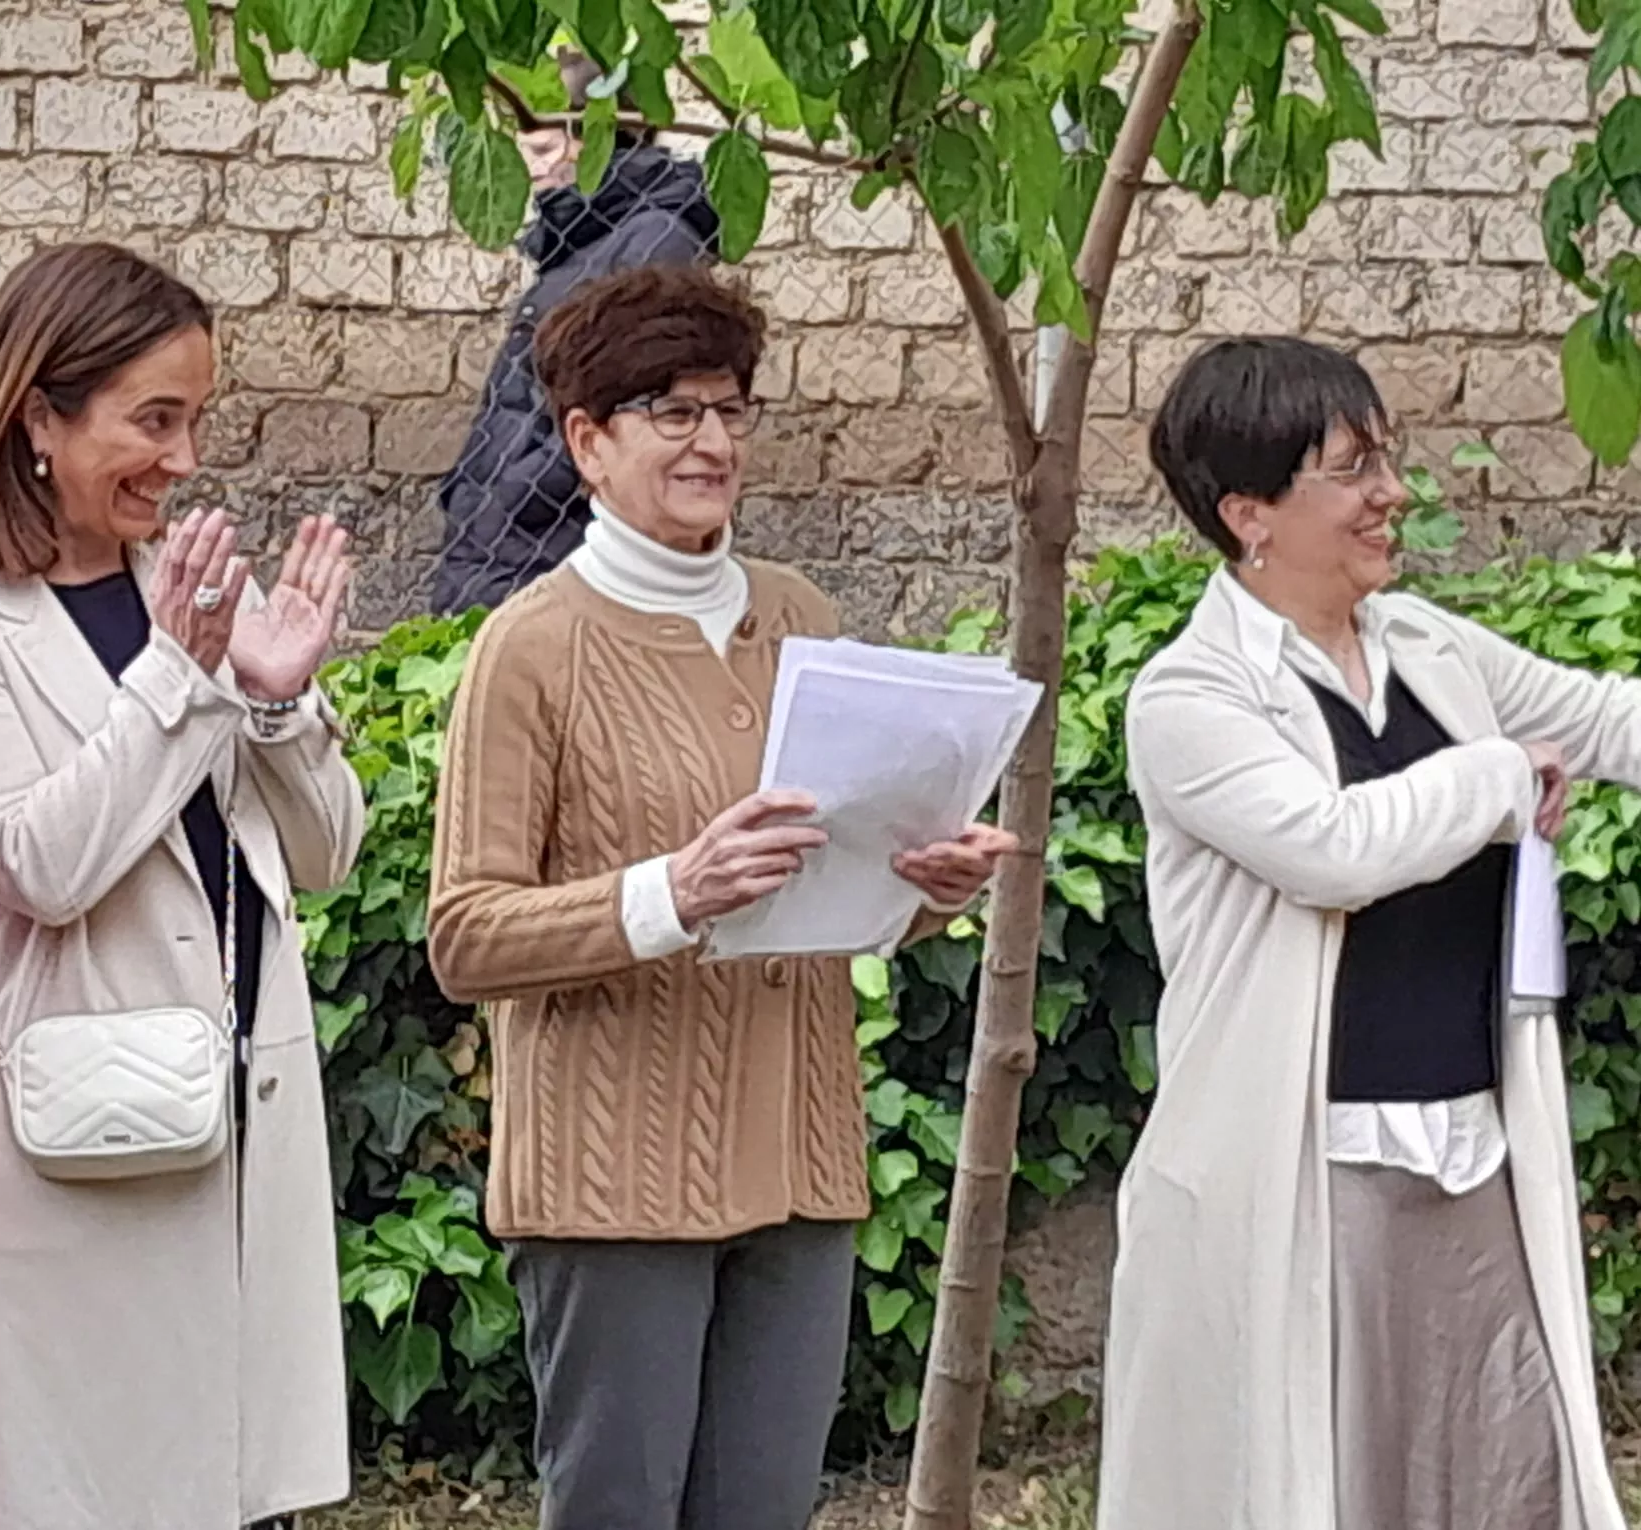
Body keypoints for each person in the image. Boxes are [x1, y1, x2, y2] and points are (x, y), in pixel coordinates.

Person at [428, 264, 1018, 1530]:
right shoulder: (530, 646)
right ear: (588, 441)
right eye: (672, 411)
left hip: (801, 1160)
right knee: (619, 1509)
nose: (712, 441)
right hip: (610, 1183)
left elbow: (832, 879)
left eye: (732, 408)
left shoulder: (803, 616)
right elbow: (466, 935)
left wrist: (927, 888)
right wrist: (671, 893)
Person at [1099, 335, 1639, 1530]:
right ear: (1248, 514)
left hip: (1472, 1159)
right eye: (1352, 470)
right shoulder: (1189, 697)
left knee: (1500, 1478)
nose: (1392, 493)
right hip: (1309, 1174)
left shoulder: (1429, 648)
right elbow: (1332, 848)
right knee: (1326, 1486)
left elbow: (1607, 722)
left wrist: (1519, 759)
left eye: (1386, 458)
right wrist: (1500, 776)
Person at [0, 243, 366, 1530]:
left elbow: (324, 857)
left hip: (223, 1116)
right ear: (39, 416)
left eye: (196, 419)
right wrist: (182, 680)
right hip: (37, 1160)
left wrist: (279, 703)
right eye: (153, 420)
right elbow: (43, 866)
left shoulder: (190, 585)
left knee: (206, 1489)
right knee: (51, 1494)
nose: (184, 458)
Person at [431, 53, 721, 616]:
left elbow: (633, 408)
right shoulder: (586, 241)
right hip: (507, 543)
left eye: (543, 149)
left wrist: (517, 492)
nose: (532, 169)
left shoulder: (655, 241)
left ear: (595, 141)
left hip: (553, 547)